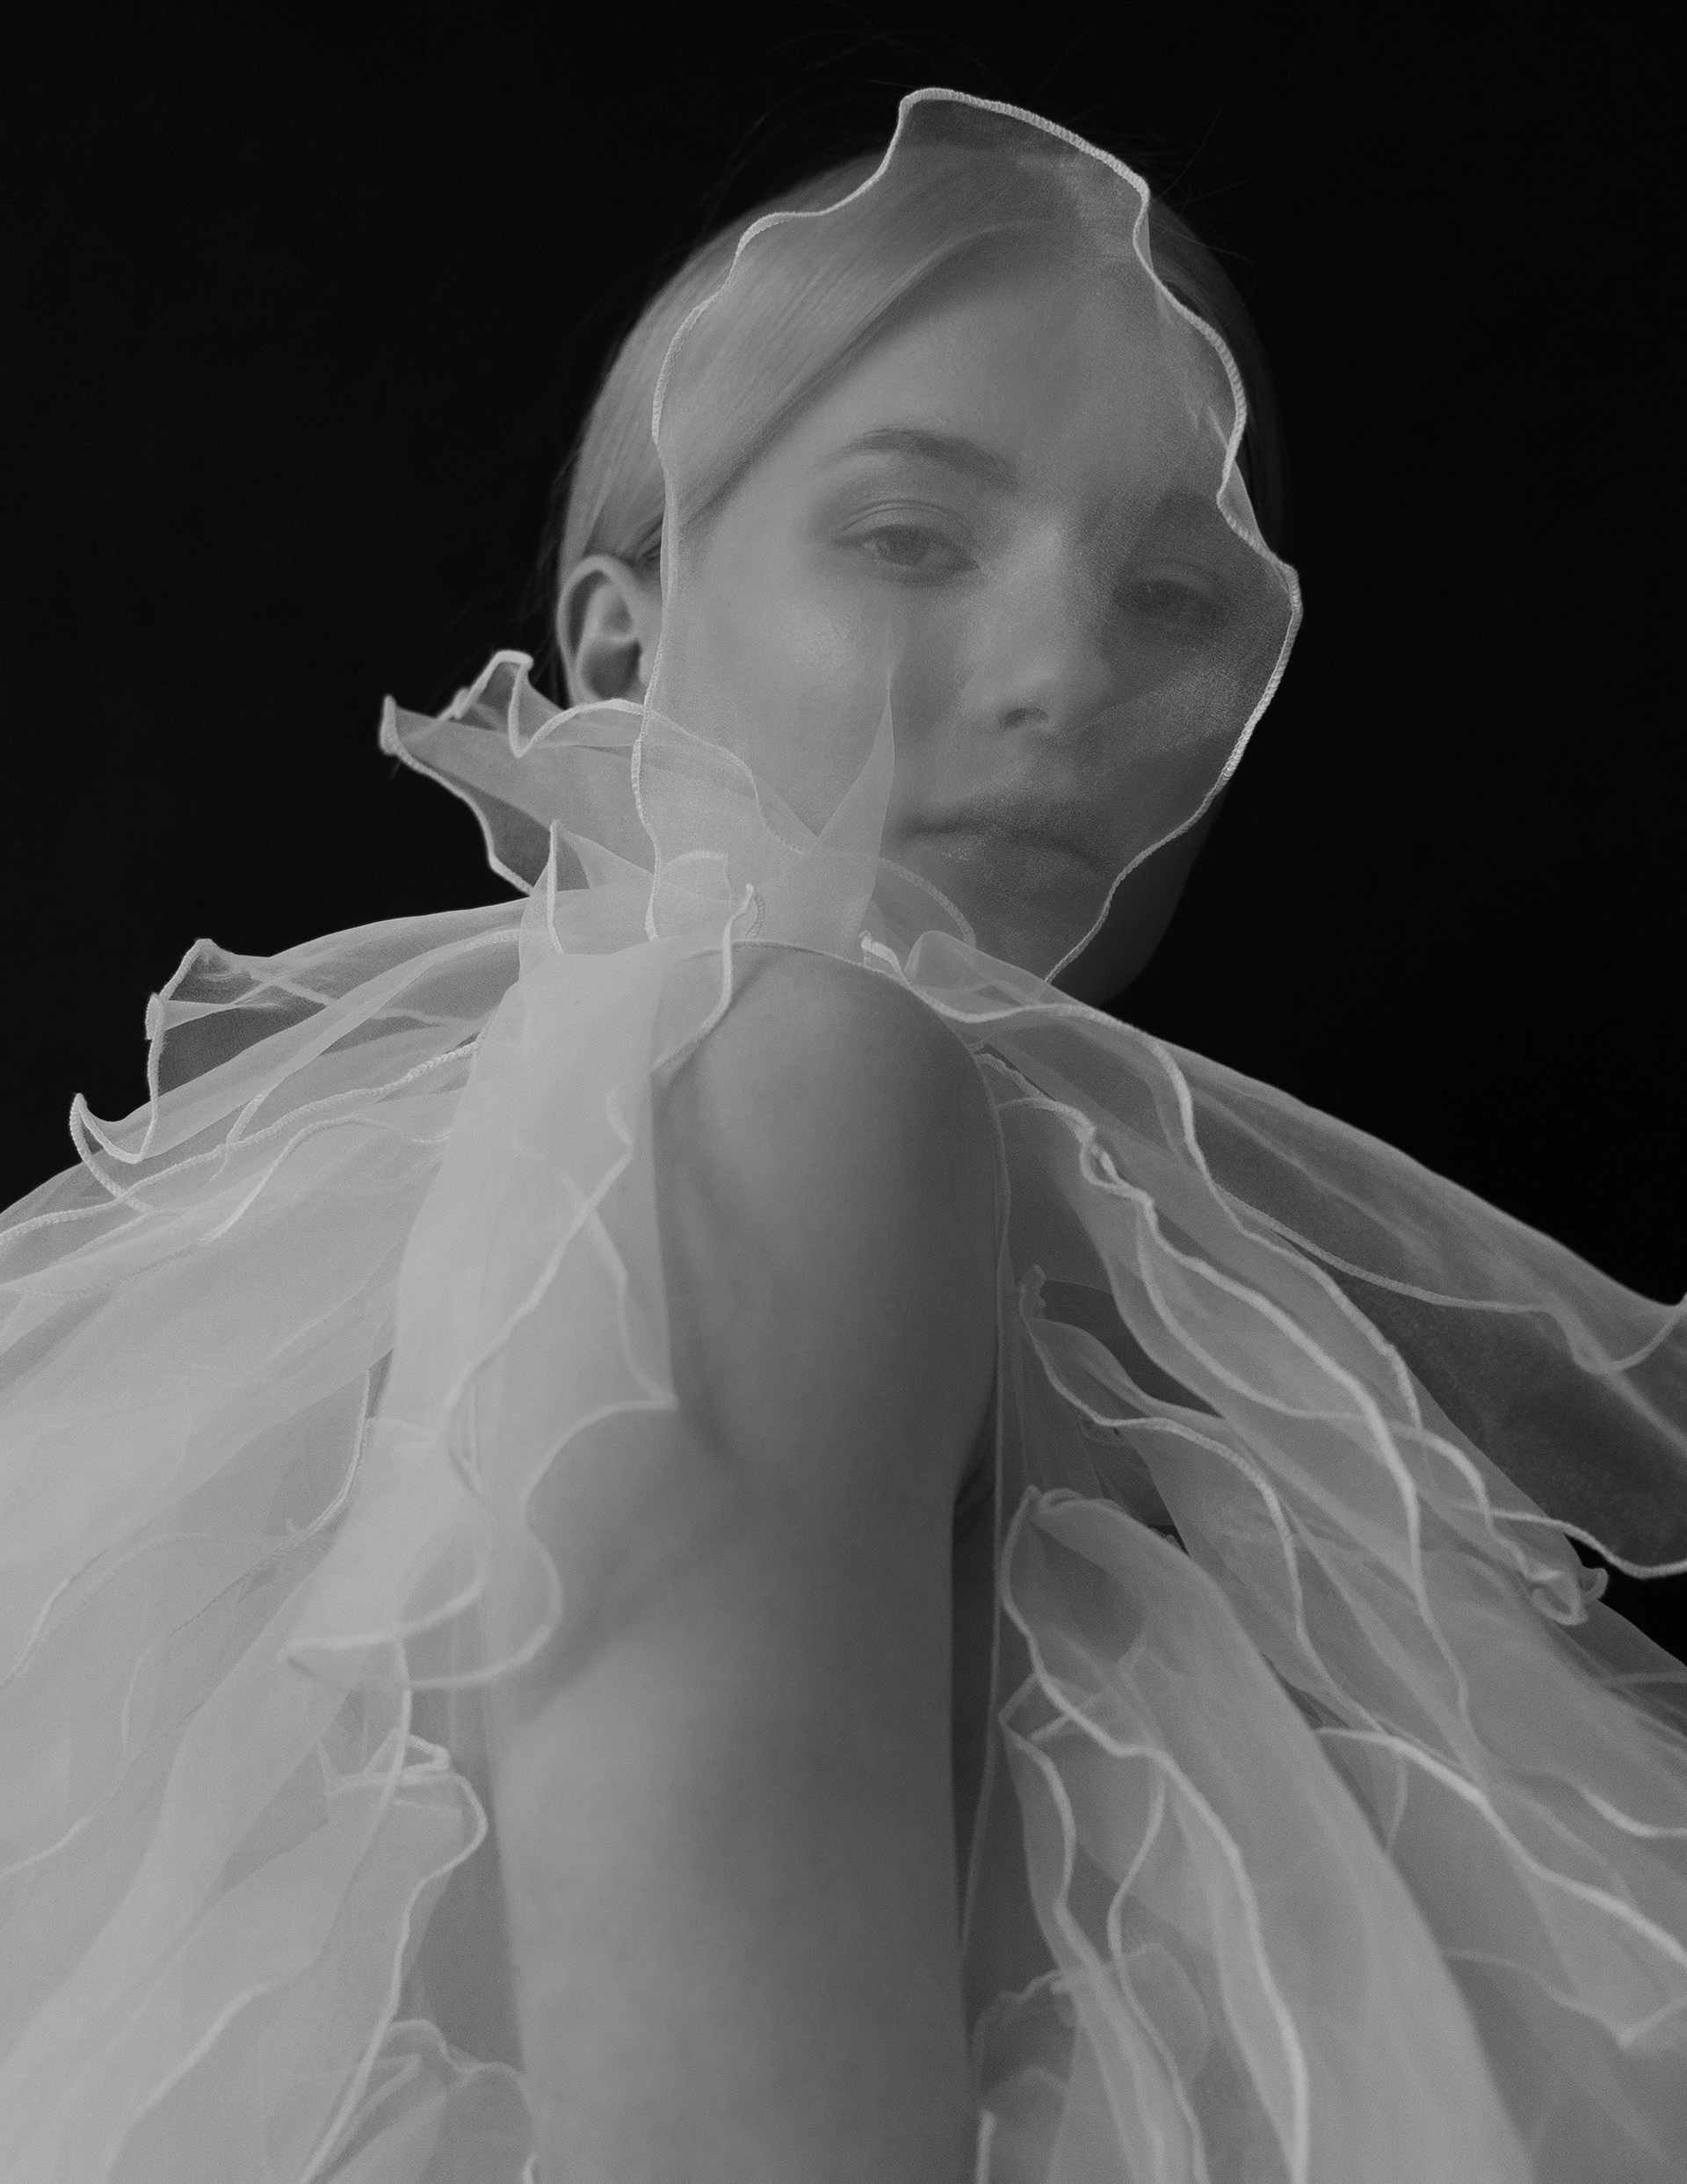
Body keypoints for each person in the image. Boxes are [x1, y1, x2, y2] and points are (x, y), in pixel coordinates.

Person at [1, 89, 1682, 2184]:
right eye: (910, 538)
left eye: (1176, 592)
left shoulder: (618, 1149)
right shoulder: (795, 1083)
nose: (1063, 671)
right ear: (620, 643)